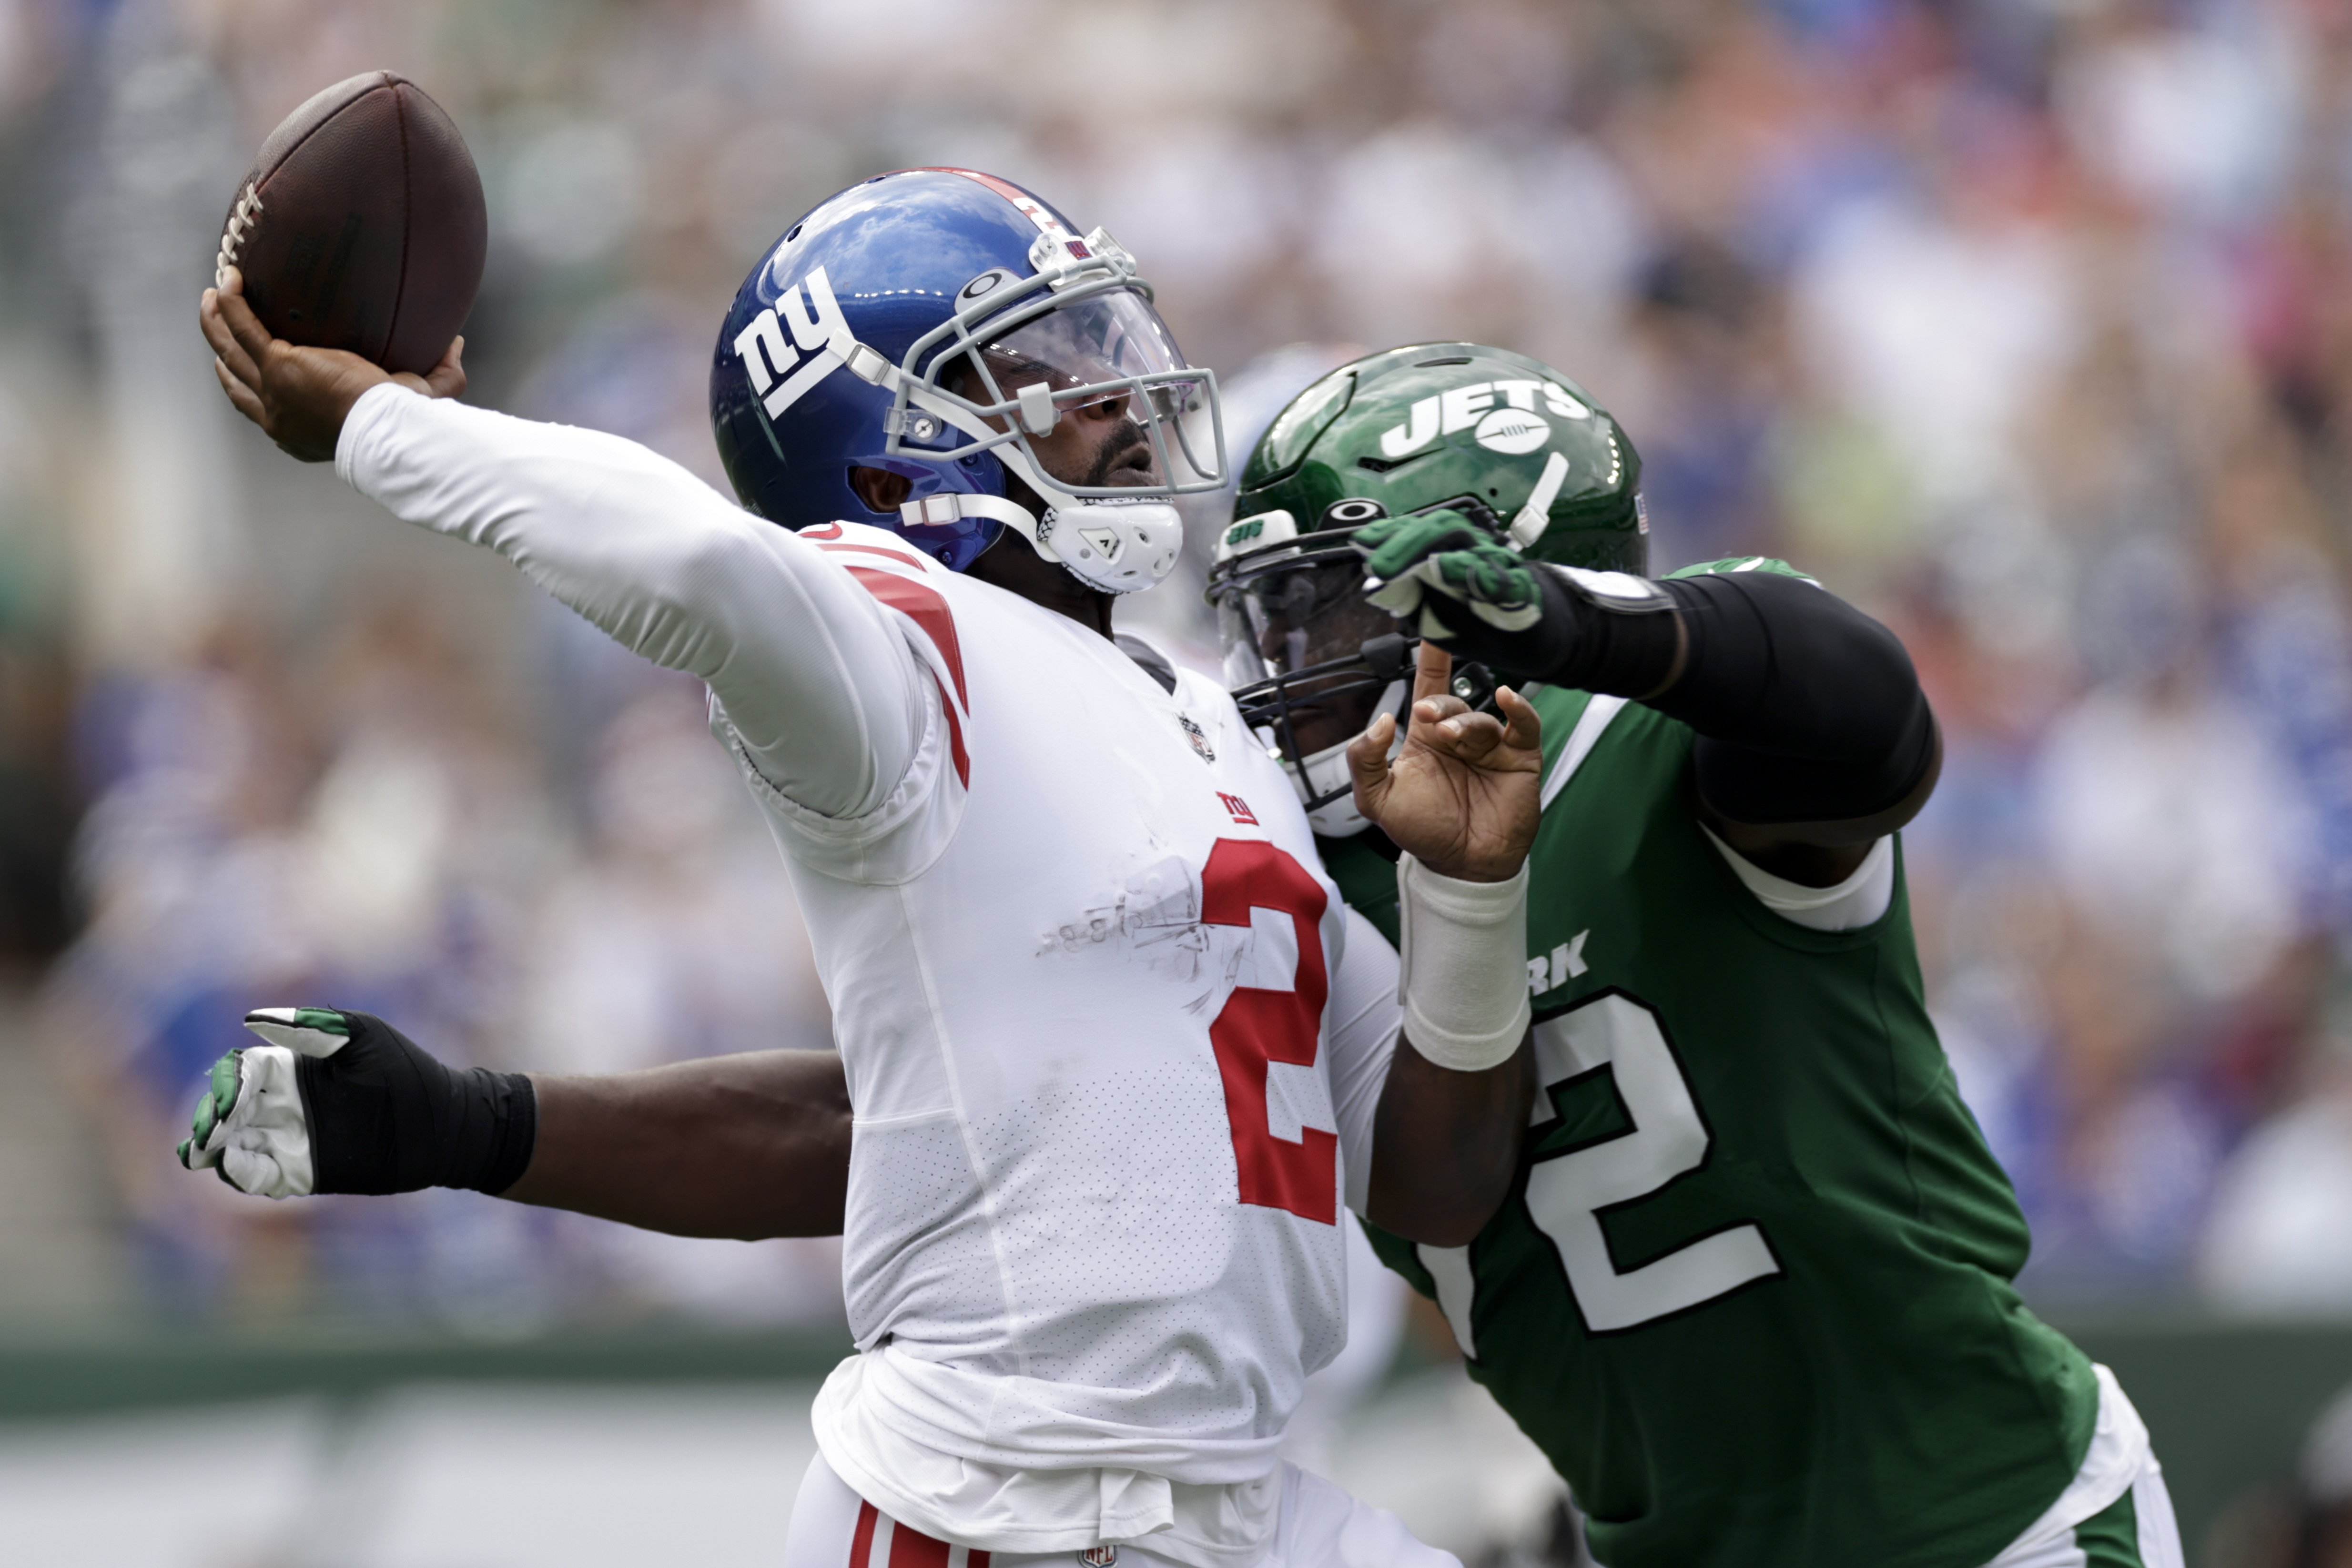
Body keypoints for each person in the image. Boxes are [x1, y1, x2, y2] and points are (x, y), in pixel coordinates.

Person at [183, 172, 1547, 1568]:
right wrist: (385, 423)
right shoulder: (906, 650)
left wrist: (1471, 894)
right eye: (1047, 365)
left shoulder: (1204, 715)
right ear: (893, 459)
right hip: (1000, 1501)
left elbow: (1429, 1172)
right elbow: (697, 561)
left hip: (1250, 1501)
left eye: (1107, 345)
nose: (1120, 398)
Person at [1202, 342, 2185, 1568]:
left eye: (1334, 611)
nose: (1286, 679)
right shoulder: (1311, 873)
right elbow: (1435, 1202)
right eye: (1273, 623)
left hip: (1979, 1523)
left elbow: (1870, 713)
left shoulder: (1661, 741)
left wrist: (1574, 630)